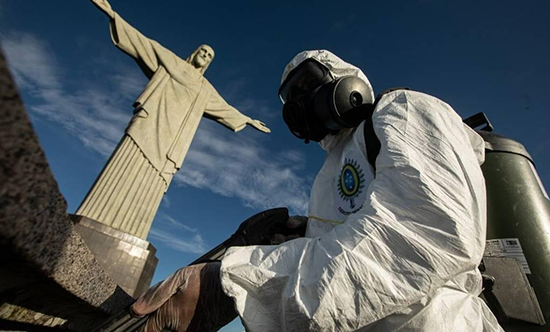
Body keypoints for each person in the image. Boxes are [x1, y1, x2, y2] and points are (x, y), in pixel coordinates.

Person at [131, 50, 503, 331]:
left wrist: (233, 281)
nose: (297, 106)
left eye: (306, 87)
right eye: (289, 99)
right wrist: (296, 239)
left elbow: (424, 235)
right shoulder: (332, 168)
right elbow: (346, 251)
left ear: (350, 86)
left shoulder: (403, 109)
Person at [76, 0, 270, 240]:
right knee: (125, 167)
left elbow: (225, 108)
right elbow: (142, 42)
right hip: (148, 129)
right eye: (203, 50)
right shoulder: (172, 61)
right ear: (195, 52)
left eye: (209, 55)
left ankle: (131, 234)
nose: (205, 55)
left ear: (209, 63)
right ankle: (94, 217)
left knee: (150, 184)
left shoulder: (204, 89)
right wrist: (113, 15)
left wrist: (248, 120)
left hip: (169, 147)